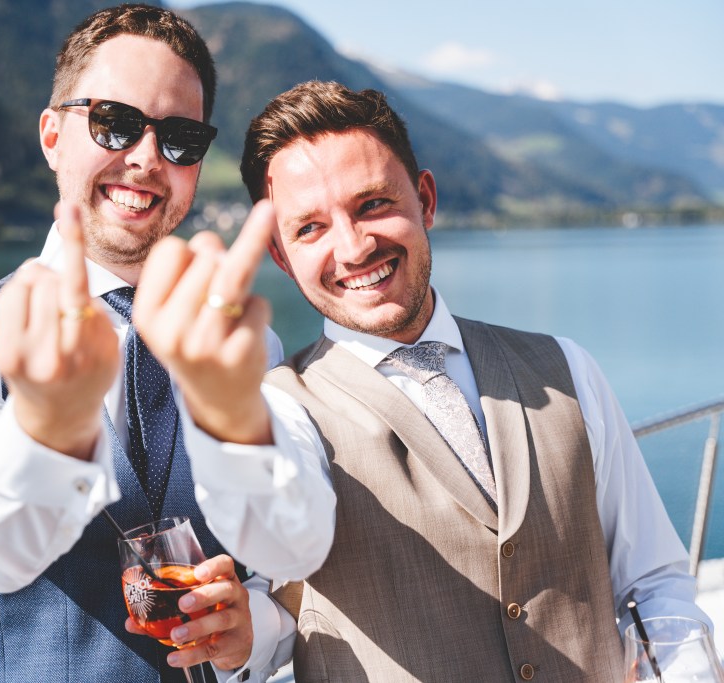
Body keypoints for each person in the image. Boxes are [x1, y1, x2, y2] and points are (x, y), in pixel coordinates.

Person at [0, 6, 333, 683]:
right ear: (52, 136)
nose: (147, 159)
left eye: (180, 138)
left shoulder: (243, 346)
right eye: (115, 123)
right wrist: (51, 422)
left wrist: (253, 631)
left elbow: (286, 559)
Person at [222, 80, 707, 681]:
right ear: (280, 255)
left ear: (425, 199)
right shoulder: (278, 411)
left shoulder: (568, 368)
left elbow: (653, 585)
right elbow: (280, 552)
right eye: (310, 228)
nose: (353, 248)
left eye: (372, 204)